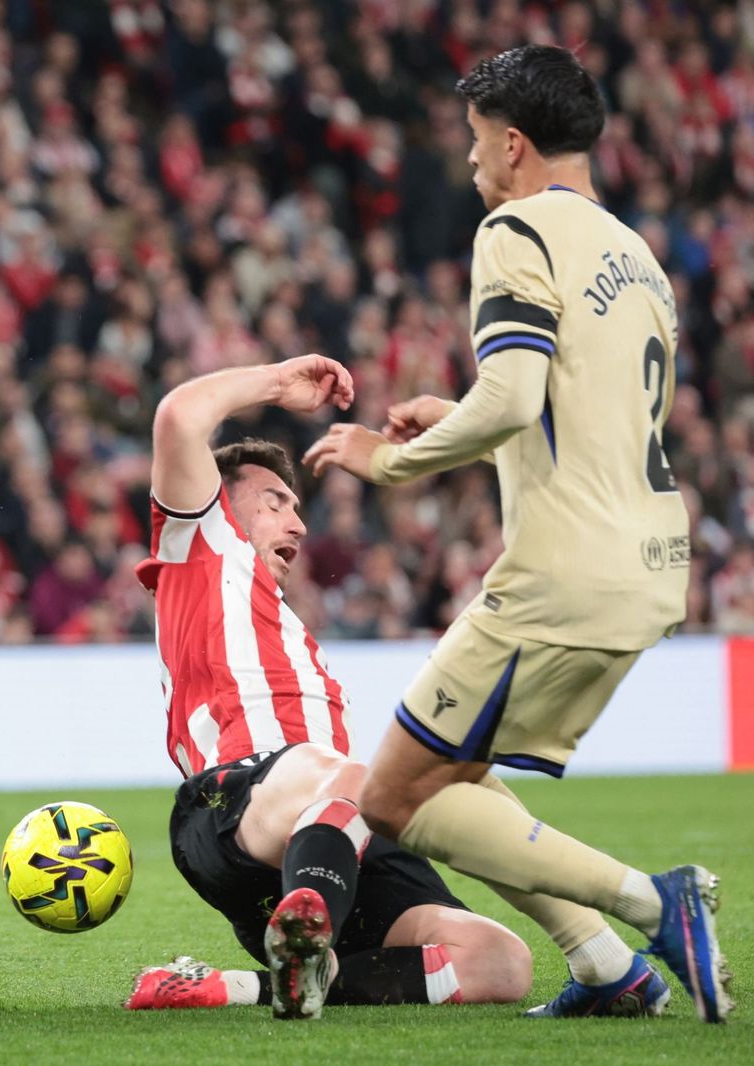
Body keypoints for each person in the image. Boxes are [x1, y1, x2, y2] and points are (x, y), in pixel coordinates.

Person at [305, 45, 731, 1023]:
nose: (467, 160)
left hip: (561, 571)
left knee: (391, 797)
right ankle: (606, 969)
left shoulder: (514, 228)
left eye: (472, 139)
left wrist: (388, 460)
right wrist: (457, 411)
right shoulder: (637, 256)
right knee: (456, 778)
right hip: (651, 564)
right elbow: (575, 411)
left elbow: (512, 398)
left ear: (511, 143)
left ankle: (651, 904)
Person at [124, 356, 532, 1020]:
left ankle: (251, 981)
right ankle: (310, 924)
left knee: (499, 961)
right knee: (353, 777)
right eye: (275, 503)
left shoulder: (286, 628)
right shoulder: (200, 551)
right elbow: (178, 416)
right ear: (219, 504)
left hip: (330, 824)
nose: (299, 524)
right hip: (236, 805)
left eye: (296, 508)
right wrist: (277, 383)